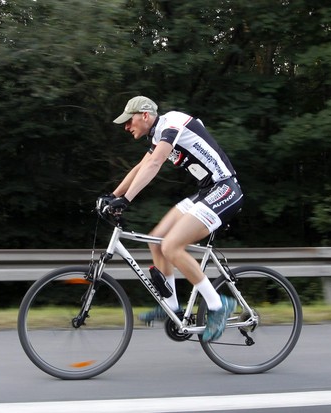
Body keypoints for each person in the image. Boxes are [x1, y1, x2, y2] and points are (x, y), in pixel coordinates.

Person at [102, 96, 244, 343]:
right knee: (156, 240)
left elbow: (155, 163)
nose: (126, 126)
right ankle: (172, 308)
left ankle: (218, 304)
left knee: (171, 246)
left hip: (225, 188)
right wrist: (112, 196)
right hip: (205, 192)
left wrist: (126, 201)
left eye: (129, 120)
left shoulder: (172, 124)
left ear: (145, 115)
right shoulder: (157, 135)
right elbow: (140, 167)